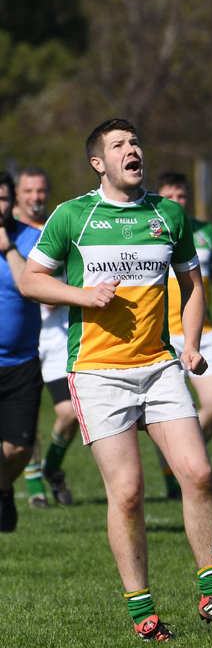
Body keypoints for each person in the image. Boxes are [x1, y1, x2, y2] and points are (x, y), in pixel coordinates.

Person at [19, 120, 212, 637]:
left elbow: (192, 285)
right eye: (118, 145)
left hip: (160, 365)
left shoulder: (168, 214)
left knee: (200, 474)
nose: (131, 149)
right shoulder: (73, 216)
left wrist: (190, 344)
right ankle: (143, 614)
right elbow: (33, 280)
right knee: (127, 493)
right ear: (98, 163)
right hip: (98, 373)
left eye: (135, 142)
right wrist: (85, 295)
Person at [155, 172, 212, 500]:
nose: (178, 201)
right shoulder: (152, 230)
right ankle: (179, 472)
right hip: (162, 336)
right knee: (168, 414)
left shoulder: (206, 233)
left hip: (203, 333)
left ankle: (179, 456)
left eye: (182, 195)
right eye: (170, 196)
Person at [12, 167, 76, 508]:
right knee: (27, 411)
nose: (35, 197)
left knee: (70, 412)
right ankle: (34, 483)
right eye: (28, 191)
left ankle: (50, 467)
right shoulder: (10, 233)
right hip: (19, 335)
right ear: (17, 196)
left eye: (40, 191)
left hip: (56, 334)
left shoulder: (61, 224)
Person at [0, 171, 44, 533]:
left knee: (18, 449)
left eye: (2, 199)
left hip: (22, 361)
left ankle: (3, 488)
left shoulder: (32, 239)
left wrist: (8, 248)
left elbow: (32, 288)